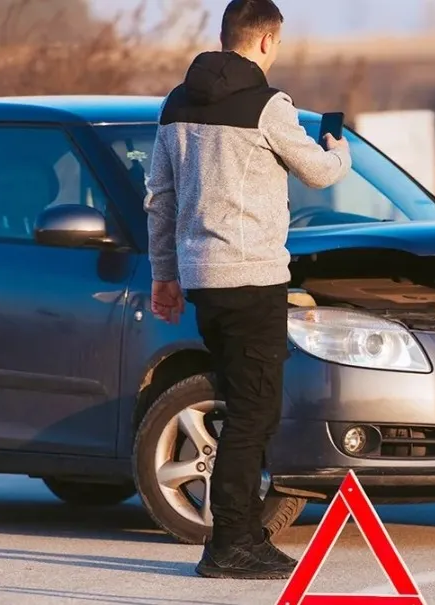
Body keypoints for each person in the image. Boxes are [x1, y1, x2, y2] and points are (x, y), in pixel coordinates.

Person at [143, 0, 352, 581]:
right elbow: (318, 172)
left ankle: (246, 536)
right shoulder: (268, 106)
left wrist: (165, 275)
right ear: (265, 41)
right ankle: (230, 543)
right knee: (255, 413)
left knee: (244, 407)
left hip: (203, 279)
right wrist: (340, 152)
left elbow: (159, 197)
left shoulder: (176, 104)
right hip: (253, 276)